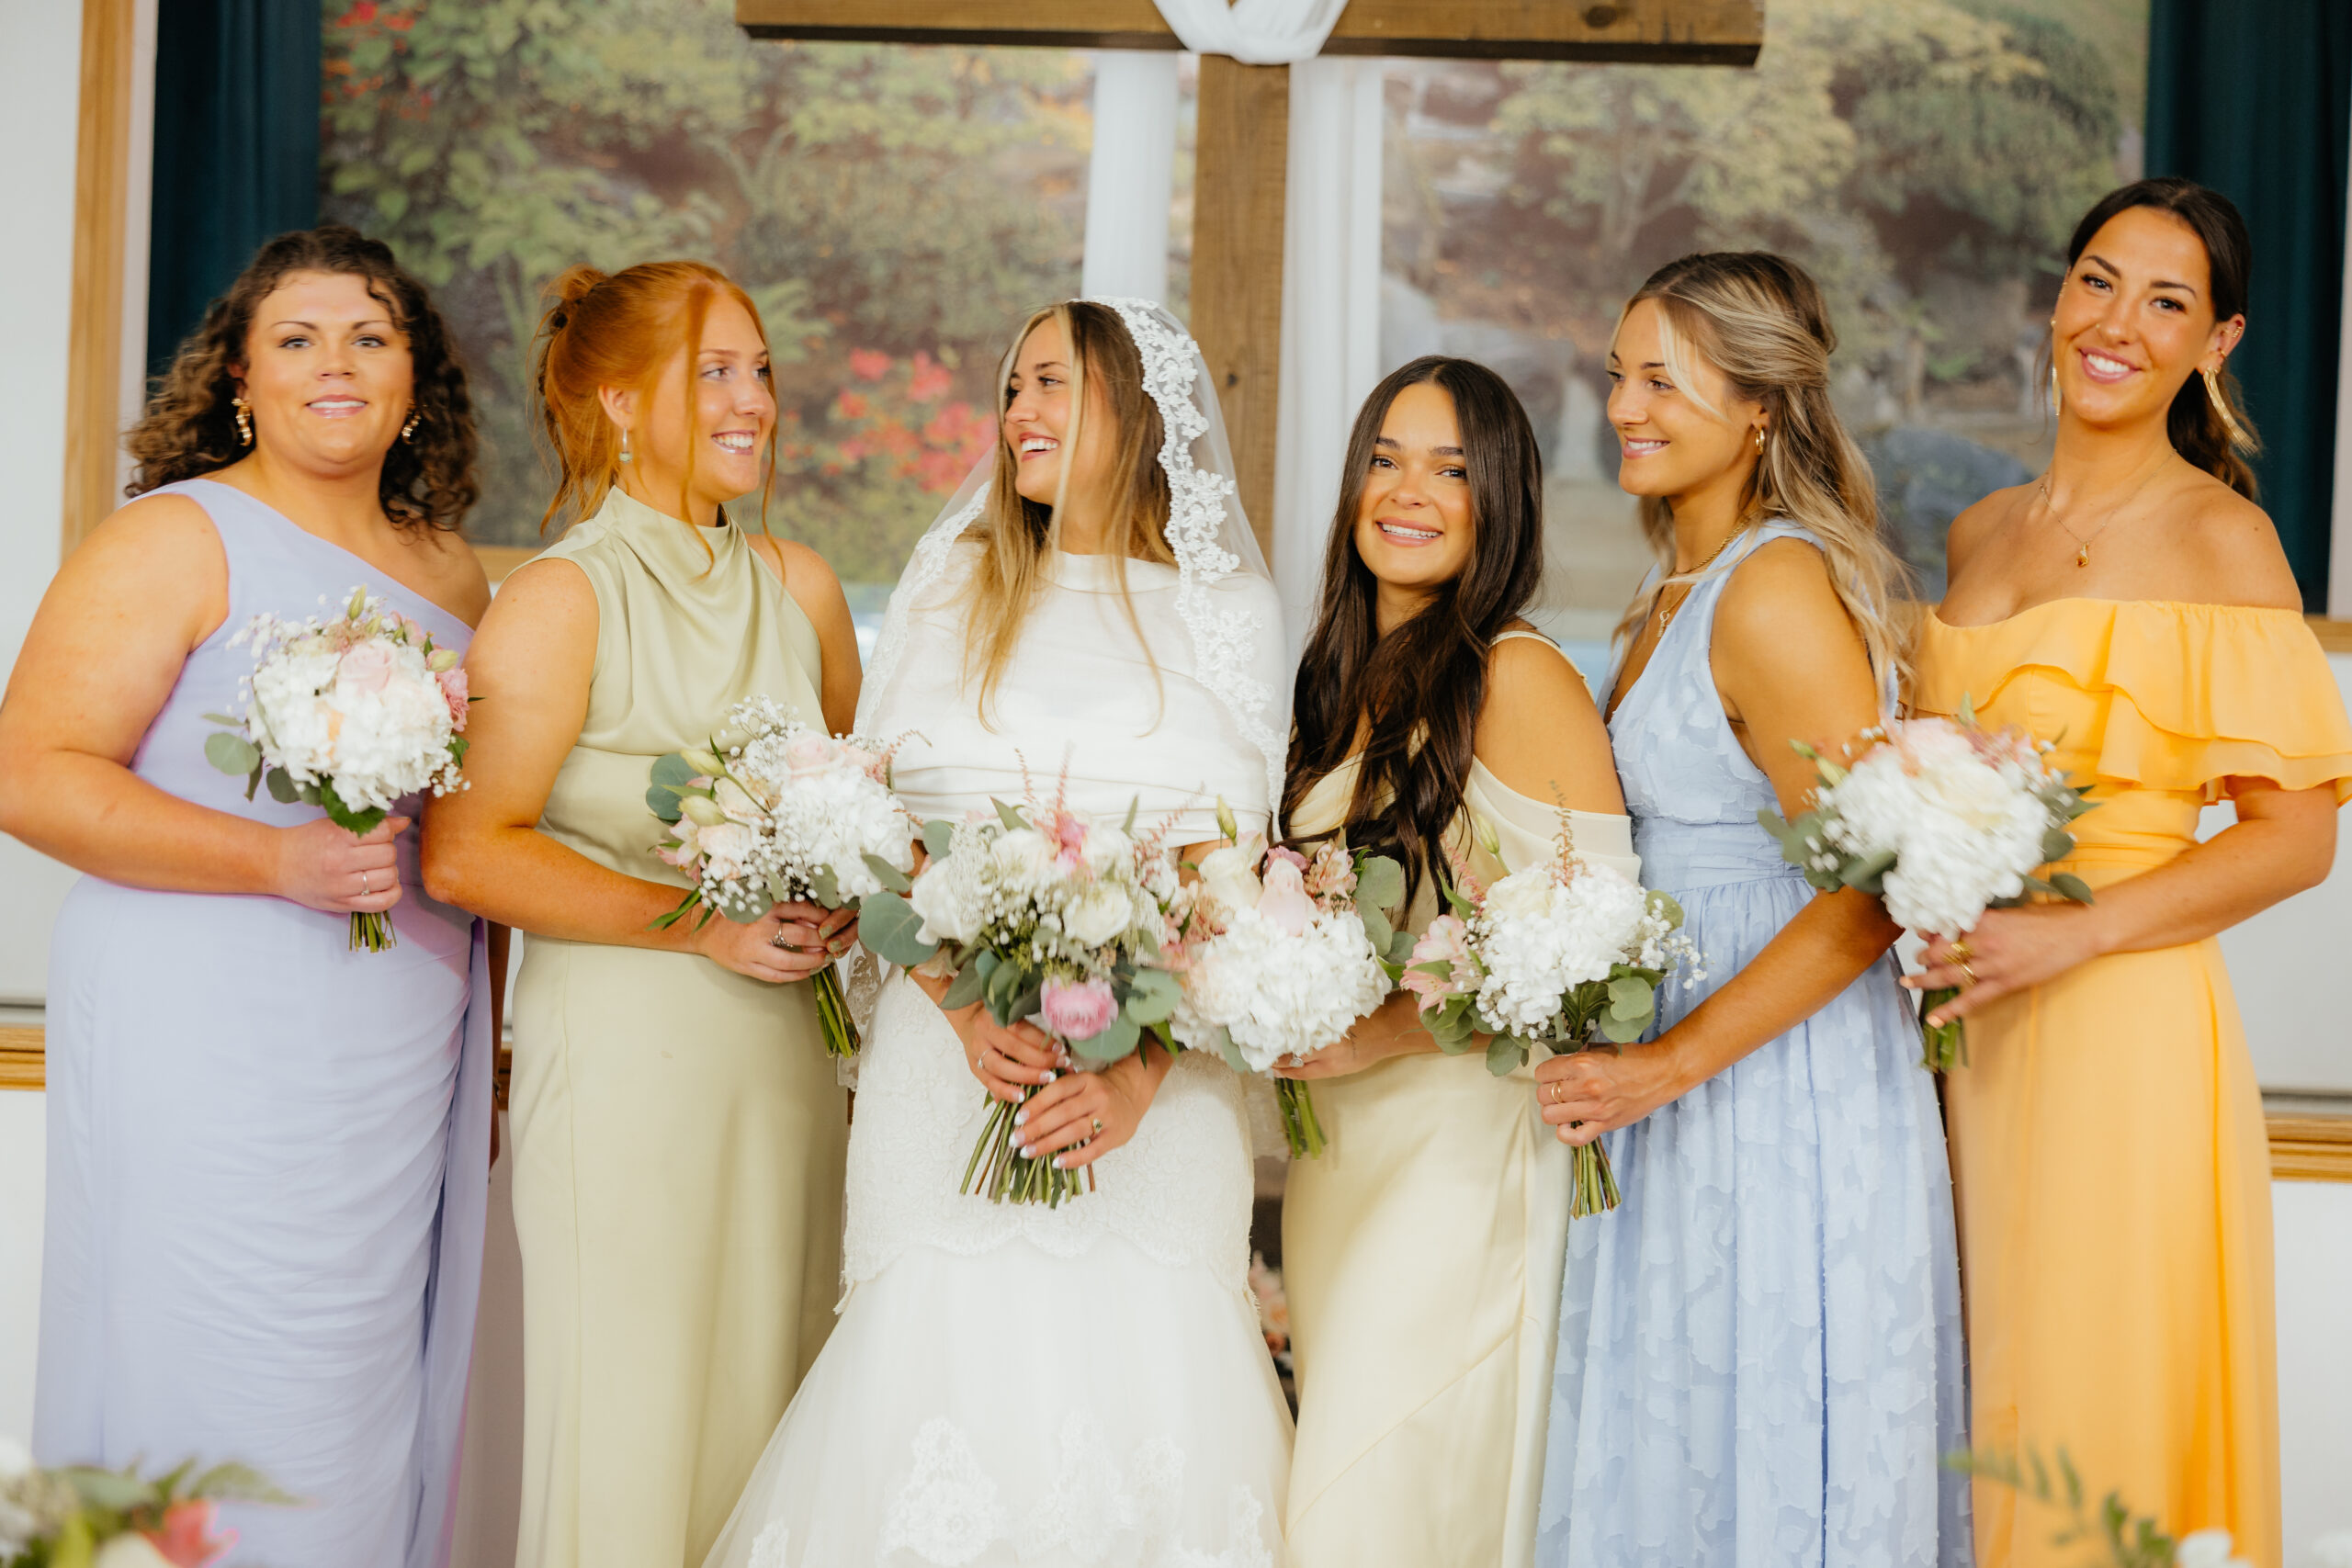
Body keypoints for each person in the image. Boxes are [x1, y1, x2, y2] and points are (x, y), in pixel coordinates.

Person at [702, 299, 1293, 1567]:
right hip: (942, 1061)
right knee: (934, 1393)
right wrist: (967, 1005)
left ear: (1137, 415)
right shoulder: (950, 584)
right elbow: (871, 824)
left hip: (1157, 1093)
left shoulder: (1230, 614)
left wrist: (1134, 1070)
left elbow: (1240, 882)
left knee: (1148, 1410)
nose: (1020, 411)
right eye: (1012, 385)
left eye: (1054, 385)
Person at [0, 225, 497, 1568]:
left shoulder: (456, 571)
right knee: (199, 1341)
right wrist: (277, 861)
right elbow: (32, 776)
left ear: (413, 381)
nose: (335, 364)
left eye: (370, 338)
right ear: (238, 379)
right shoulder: (174, 536)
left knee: (359, 1372)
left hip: (394, 1042)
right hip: (204, 1030)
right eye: (298, 338)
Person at [1914, 177, 2351, 1567]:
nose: (2119, 323)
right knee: (1972, 1389)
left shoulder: (2226, 540)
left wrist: (2072, 936)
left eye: (2169, 302)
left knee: (2089, 1400)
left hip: (2120, 1028)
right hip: (1958, 1026)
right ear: (2057, 296)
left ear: (2216, 346)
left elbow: (2298, 837)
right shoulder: (1977, 531)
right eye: (2100, 279)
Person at [419, 262, 861, 1568]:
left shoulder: (804, 589)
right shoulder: (559, 601)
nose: (753, 403)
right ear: (618, 399)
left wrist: (832, 895)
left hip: (784, 1067)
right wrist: (700, 924)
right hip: (622, 1074)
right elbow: (464, 852)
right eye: (713, 372)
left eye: (762, 371)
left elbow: (849, 809)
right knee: (629, 1423)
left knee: (774, 1414)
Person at [1532, 252, 1970, 1566]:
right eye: (1618, 375)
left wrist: (1669, 1061)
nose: (1624, 405)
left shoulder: (1773, 591)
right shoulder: (1673, 585)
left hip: (1775, 1092)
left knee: (1759, 1437)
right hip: (1682, 1078)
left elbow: (1871, 897)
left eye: (1662, 379)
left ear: (1761, 407)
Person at [1271, 356, 1633, 1568]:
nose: (1408, 490)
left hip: (1459, 1159)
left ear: (1504, 499)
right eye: (1386, 458)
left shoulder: (1518, 674)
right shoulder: (1332, 682)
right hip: (1341, 1161)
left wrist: (1388, 1027)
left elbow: (1597, 938)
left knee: (1380, 1491)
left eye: (1451, 466)